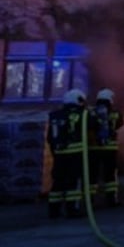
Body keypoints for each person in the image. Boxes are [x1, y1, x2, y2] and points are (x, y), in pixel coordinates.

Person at [46, 89, 87, 219]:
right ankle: (72, 210)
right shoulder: (83, 114)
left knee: (58, 182)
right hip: (75, 155)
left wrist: (55, 152)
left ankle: (54, 211)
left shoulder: (55, 115)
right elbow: (92, 126)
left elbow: (50, 137)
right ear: (78, 99)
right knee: (73, 182)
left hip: (59, 155)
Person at [89, 88, 124, 207]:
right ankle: (112, 199)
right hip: (110, 149)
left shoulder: (90, 113)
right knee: (110, 174)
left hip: (93, 149)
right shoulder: (116, 113)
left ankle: (90, 200)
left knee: (92, 175)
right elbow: (120, 123)